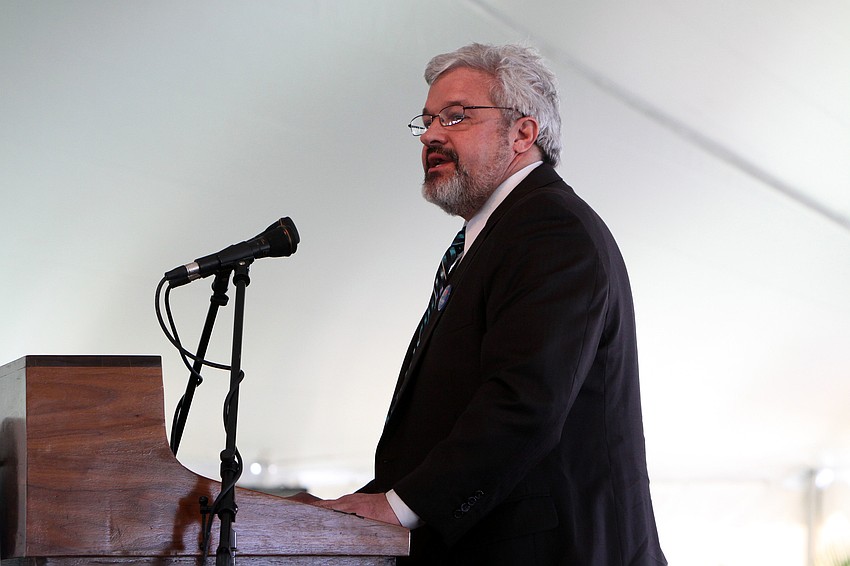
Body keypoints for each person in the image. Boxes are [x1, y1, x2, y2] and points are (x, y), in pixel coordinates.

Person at [299, 42, 667, 565]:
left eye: (456, 117)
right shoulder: (497, 235)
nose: (430, 135)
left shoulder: (552, 231)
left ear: (523, 132)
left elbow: (523, 404)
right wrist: (352, 507)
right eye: (426, 121)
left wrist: (398, 507)